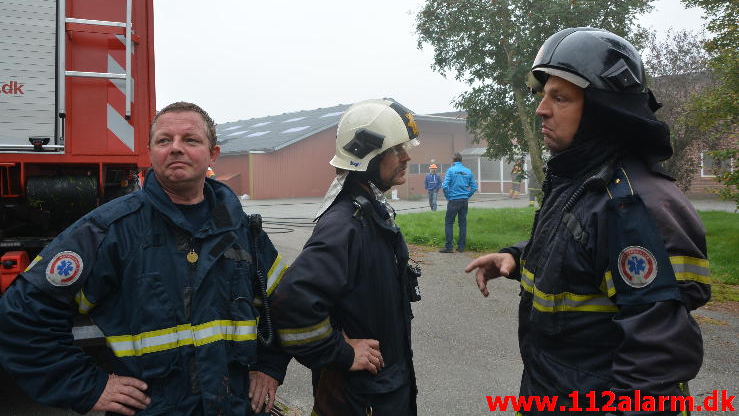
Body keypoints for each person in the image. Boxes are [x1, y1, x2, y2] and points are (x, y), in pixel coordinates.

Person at [465, 28, 710, 415]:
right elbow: (579, 254)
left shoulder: (629, 204)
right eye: (543, 95)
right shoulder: (584, 182)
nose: (541, 108)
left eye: (559, 98)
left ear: (602, 110)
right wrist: (515, 258)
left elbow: (655, 368)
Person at [0, 102, 290, 416]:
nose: (176, 148)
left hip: (234, 407)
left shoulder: (242, 230)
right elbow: (21, 314)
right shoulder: (109, 230)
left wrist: (269, 367)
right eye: (164, 140)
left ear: (213, 154)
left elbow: (285, 304)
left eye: (190, 140)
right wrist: (88, 385)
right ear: (150, 152)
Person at [271, 99, 421, 416]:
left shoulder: (372, 214)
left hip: (383, 390)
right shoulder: (344, 225)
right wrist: (341, 353)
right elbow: (292, 304)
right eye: (396, 149)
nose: (406, 156)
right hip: (358, 400)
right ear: (367, 156)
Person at [439, 152, 477, 253]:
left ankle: (449, 247)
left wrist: (448, 196)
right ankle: (461, 247)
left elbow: (445, 186)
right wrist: (467, 196)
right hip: (464, 201)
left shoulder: (450, 170)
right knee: (462, 223)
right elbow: (474, 187)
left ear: (453, 160)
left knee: (449, 222)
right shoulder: (468, 171)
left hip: (453, 200)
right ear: (461, 160)